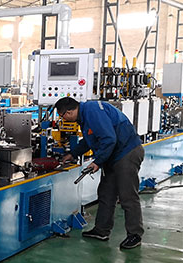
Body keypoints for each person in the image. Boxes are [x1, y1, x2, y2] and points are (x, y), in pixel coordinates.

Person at [56, 97, 145, 249]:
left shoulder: (92, 111)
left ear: (69, 112)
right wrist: (73, 154)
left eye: (62, 115)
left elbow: (109, 139)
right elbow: (89, 140)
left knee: (127, 196)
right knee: (106, 193)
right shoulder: (85, 116)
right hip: (113, 156)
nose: (63, 119)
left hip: (126, 153)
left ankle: (135, 235)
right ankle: (101, 230)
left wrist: (98, 162)